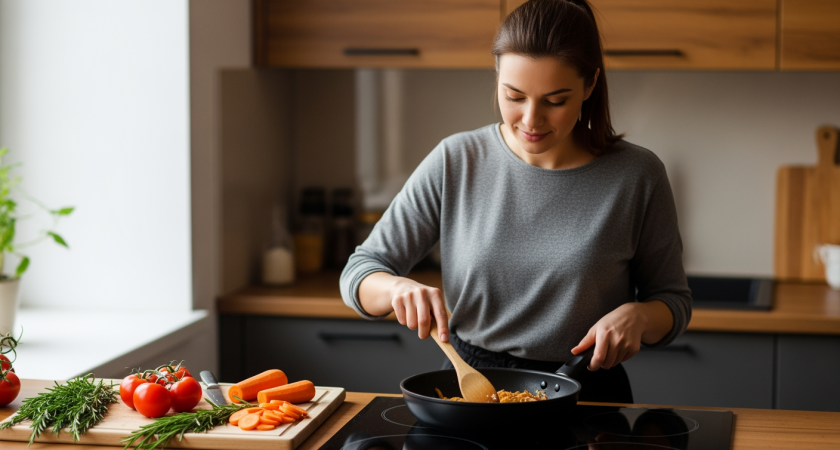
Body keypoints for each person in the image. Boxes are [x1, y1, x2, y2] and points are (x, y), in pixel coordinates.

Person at [339, 0, 691, 404]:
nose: (531, 120)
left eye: (555, 100)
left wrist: (641, 316)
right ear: (497, 78)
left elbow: (673, 302)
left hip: (587, 395)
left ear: (590, 85)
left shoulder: (637, 175)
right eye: (514, 96)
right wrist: (396, 288)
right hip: (472, 389)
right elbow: (360, 272)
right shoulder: (456, 160)